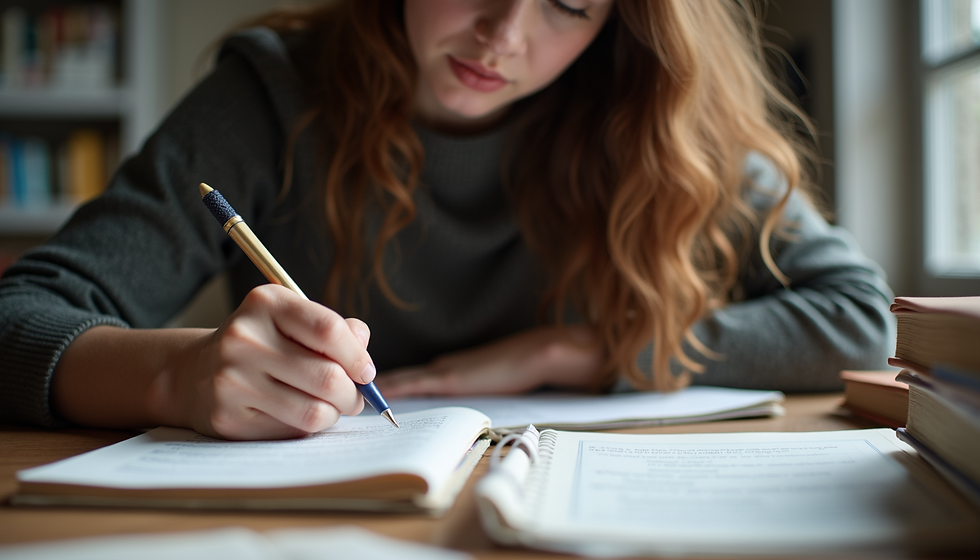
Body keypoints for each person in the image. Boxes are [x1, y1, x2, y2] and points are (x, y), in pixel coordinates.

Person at [0, 0, 893, 440]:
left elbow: (856, 316)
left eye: (570, 3)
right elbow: (17, 318)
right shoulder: (272, 98)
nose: (503, 35)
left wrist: (576, 350)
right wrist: (172, 376)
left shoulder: (660, 125)